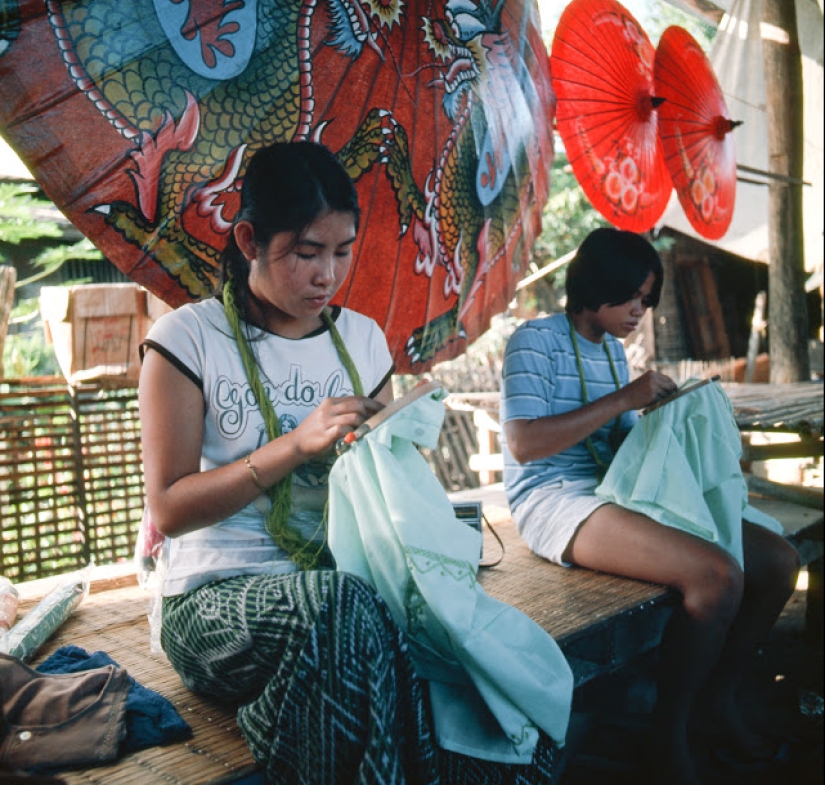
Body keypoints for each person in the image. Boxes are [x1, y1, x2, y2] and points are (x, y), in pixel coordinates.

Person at [138, 141, 439, 784]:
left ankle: (284, 721)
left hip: (341, 588)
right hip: (214, 601)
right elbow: (168, 508)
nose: (326, 276)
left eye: (342, 251)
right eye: (305, 253)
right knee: (348, 612)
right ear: (248, 239)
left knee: (433, 630)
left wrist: (391, 445)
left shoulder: (359, 338)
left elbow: (391, 483)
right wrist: (293, 447)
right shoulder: (187, 339)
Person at [499, 228, 800, 785]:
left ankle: (719, 699)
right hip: (554, 500)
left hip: (616, 488)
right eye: (631, 297)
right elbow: (523, 445)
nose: (640, 311)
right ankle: (670, 731)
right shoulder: (533, 341)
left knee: (779, 562)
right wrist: (626, 399)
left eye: (647, 299)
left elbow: (622, 440)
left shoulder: (614, 354)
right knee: (716, 578)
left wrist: (673, 415)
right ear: (595, 285)